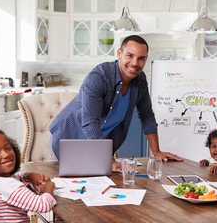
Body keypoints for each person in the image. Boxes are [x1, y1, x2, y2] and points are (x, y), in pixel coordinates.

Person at [49, 35, 182, 172]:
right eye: (130, 55)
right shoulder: (99, 77)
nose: (135, 63)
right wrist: (108, 160)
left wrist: (157, 152)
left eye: (141, 58)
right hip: (69, 139)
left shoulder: (140, 80)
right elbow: (90, 123)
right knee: (67, 188)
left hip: (97, 146)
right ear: (119, 53)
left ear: (146, 59)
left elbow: (146, 115)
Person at [0, 126, 57, 222]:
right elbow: (43, 206)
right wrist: (48, 188)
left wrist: (28, 176)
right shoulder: (7, 186)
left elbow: (15, 178)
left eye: (7, 148)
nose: (6, 154)